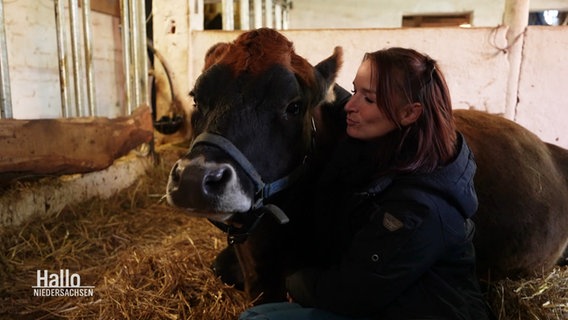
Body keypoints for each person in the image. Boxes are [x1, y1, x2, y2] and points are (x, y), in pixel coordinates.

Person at [239, 47, 491, 319]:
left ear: (409, 113)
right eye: (354, 90)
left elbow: (352, 293)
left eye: (368, 99)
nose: (350, 105)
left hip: (422, 311)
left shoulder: (418, 207)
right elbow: (335, 100)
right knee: (263, 311)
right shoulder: (384, 148)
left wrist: (294, 281)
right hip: (391, 298)